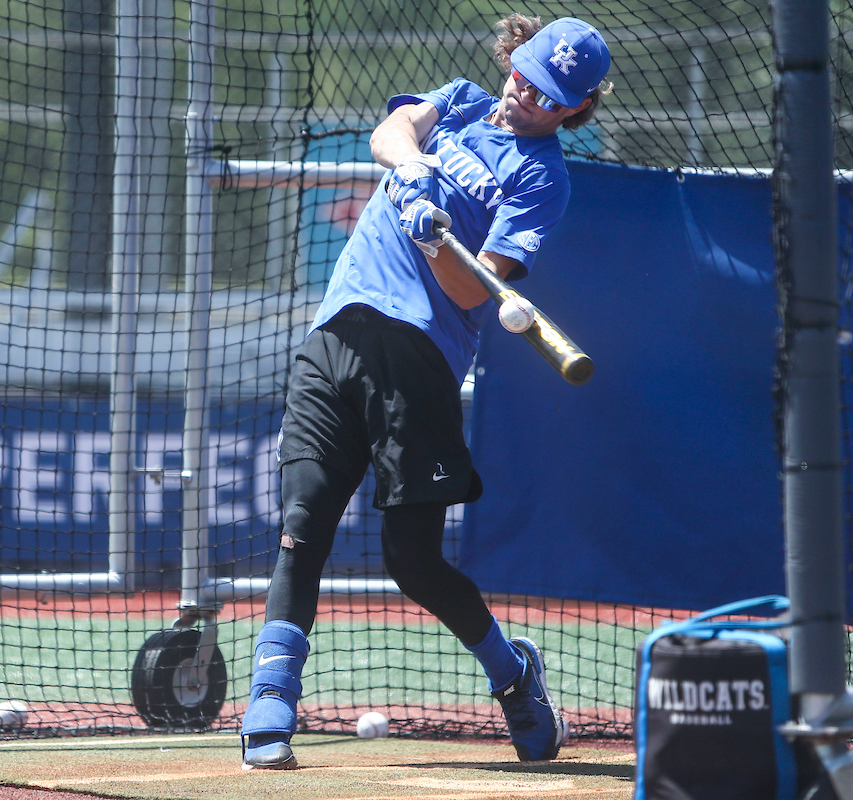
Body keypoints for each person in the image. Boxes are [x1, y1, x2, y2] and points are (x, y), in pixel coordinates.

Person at [239, 14, 613, 770]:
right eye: (525, 75)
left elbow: (476, 292)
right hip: (337, 331)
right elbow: (391, 133)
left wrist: (433, 234)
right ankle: (270, 701)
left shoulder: (543, 179)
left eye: (548, 96)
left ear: (574, 109)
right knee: (302, 522)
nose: (525, 95)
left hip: (422, 357)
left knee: (411, 560)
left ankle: (513, 676)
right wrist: (411, 171)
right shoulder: (468, 100)